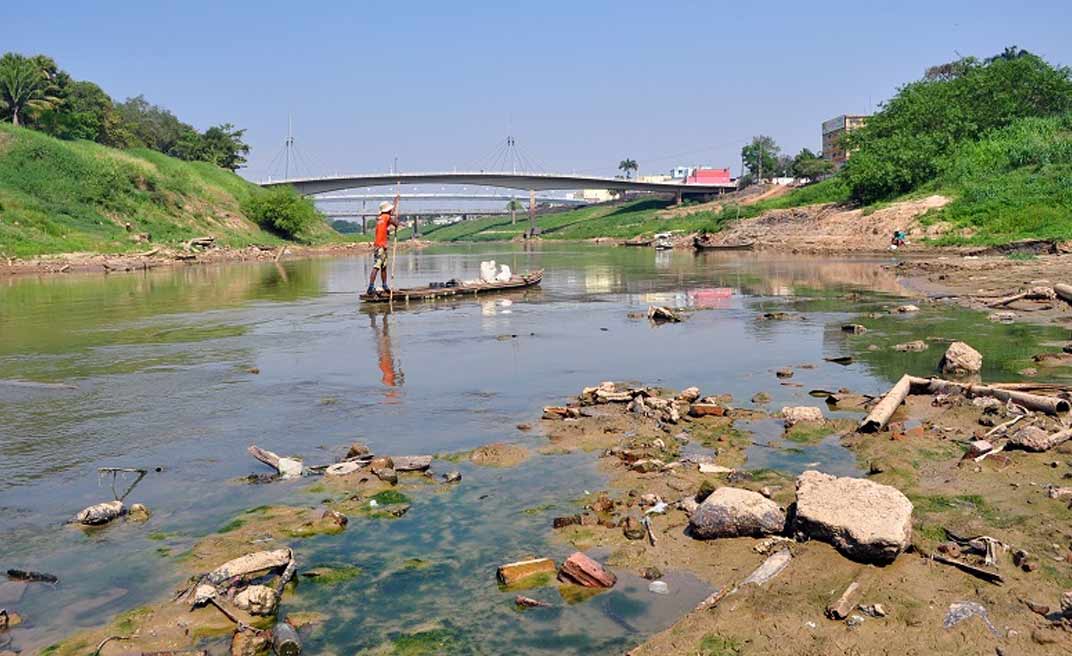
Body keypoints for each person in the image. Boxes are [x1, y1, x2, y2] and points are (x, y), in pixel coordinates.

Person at [367, 197, 400, 295]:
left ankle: (384, 285)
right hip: (380, 246)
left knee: (383, 266)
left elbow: (390, 216)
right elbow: (396, 223)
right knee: (377, 266)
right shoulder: (386, 217)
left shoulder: (380, 217)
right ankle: (370, 287)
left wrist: (395, 202)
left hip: (381, 246)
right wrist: (397, 220)